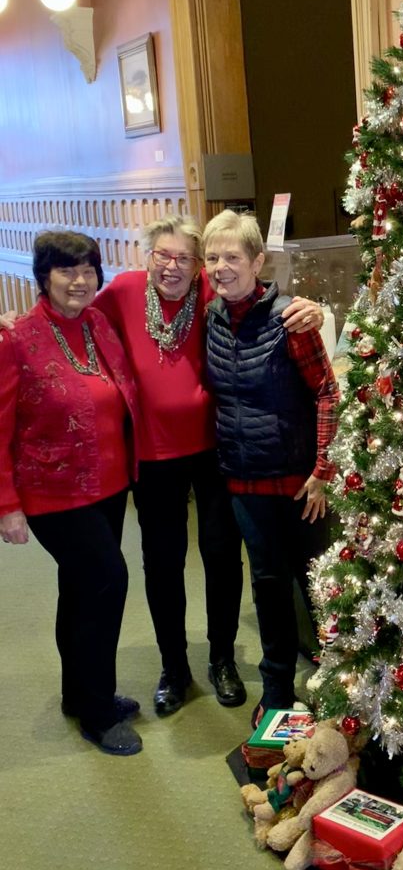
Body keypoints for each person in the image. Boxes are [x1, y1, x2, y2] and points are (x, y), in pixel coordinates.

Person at [93, 215, 324, 716]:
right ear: (147, 256)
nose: (173, 266)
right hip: (152, 458)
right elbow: (76, 317)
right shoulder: (124, 292)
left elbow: (255, 287)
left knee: (222, 558)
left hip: (213, 451)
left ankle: (221, 659)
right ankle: (174, 666)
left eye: (184, 258)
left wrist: (315, 309)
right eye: (162, 256)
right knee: (163, 562)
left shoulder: (208, 286)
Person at [0, 232, 143, 756]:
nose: (79, 280)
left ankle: (76, 693)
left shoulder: (98, 324)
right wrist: (7, 506)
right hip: (52, 492)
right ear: (43, 277)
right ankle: (97, 712)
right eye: (66, 271)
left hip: (107, 485)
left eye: (87, 269)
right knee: (108, 581)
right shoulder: (17, 339)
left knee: (80, 588)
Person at [202, 210, 340, 728]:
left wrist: (323, 470)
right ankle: (277, 683)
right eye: (212, 257)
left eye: (232, 257)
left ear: (258, 260)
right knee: (267, 585)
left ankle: (340, 680)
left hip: (301, 483)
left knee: (317, 583)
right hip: (243, 480)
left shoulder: (291, 319)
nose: (221, 267)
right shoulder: (212, 316)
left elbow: (327, 392)